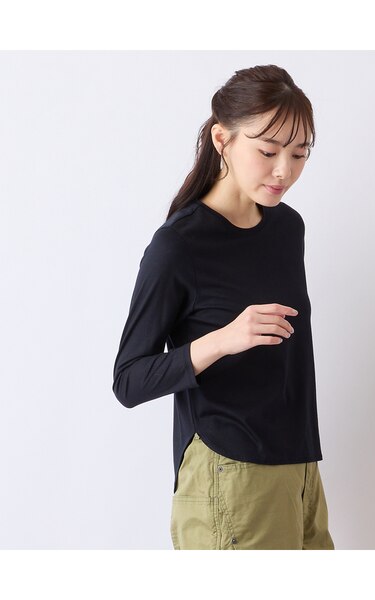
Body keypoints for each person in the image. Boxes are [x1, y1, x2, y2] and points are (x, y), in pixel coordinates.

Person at [112, 64, 335, 550]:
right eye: (268, 151)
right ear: (222, 139)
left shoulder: (287, 228)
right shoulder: (179, 246)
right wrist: (223, 340)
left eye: (299, 153)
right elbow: (128, 380)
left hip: (299, 468)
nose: (285, 170)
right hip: (229, 472)